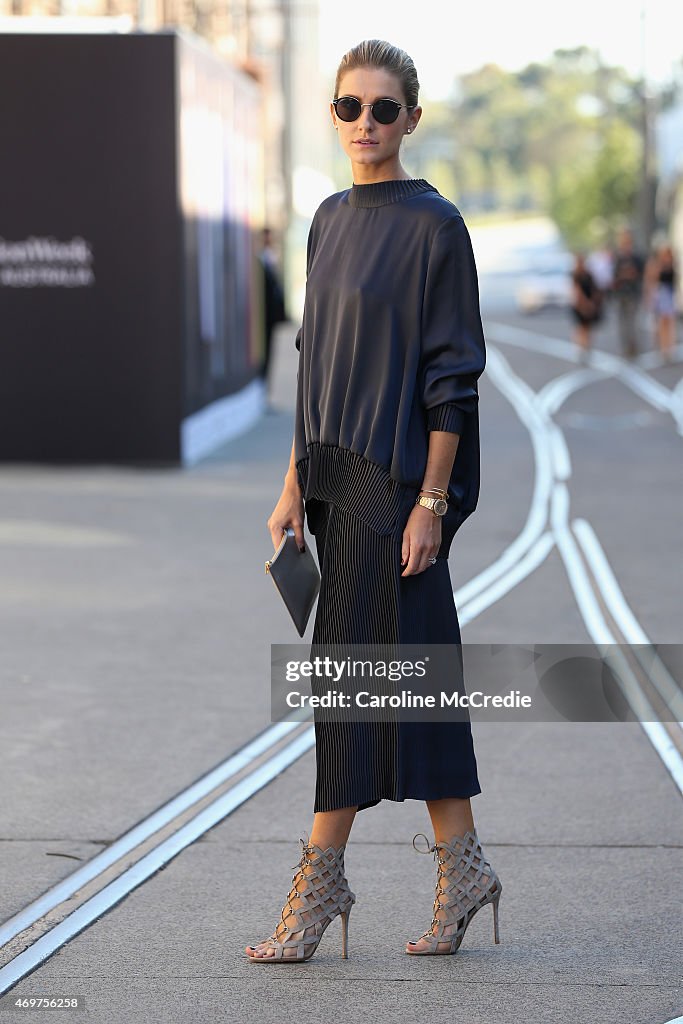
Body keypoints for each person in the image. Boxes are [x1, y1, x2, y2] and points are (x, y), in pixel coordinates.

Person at [245, 39, 502, 964]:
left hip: (392, 493)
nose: (364, 125)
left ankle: (319, 887)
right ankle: (462, 868)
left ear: (411, 120)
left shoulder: (436, 228)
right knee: (418, 683)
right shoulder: (325, 219)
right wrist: (288, 486)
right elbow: (316, 364)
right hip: (329, 486)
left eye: (382, 109)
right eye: (348, 108)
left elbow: (453, 382)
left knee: (346, 691)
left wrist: (431, 501)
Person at [259, 227, 287, 404]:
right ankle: (263, 393)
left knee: (271, 353)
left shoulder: (271, 258)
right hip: (264, 318)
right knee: (266, 353)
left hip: (271, 318)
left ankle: (266, 393)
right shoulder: (261, 260)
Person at [612, 228, 645, 358]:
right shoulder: (618, 257)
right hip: (620, 293)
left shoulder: (636, 257)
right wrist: (621, 276)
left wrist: (632, 275)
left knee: (632, 321)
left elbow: (642, 273)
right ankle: (625, 346)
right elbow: (613, 275)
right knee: (622, 322)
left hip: (633, 293)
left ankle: (633, 346)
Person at [645, 243, 677, 362]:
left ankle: (670, 347)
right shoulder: (657, 265)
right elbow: (652, 279)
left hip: (669, 295)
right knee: (662, 322)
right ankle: (663, 348)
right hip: (660, 295)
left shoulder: (672, 264)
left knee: (670, 322)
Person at [570, 252, 601, 361]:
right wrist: (585, 304)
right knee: (582, 328)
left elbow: (594, 290)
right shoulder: (575, 275)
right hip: (580, 305)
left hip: (587, 303)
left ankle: (585, 347)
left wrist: (592, 302)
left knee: (586, 328)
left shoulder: (588, 275)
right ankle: (582, 348)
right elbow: (577, 292)